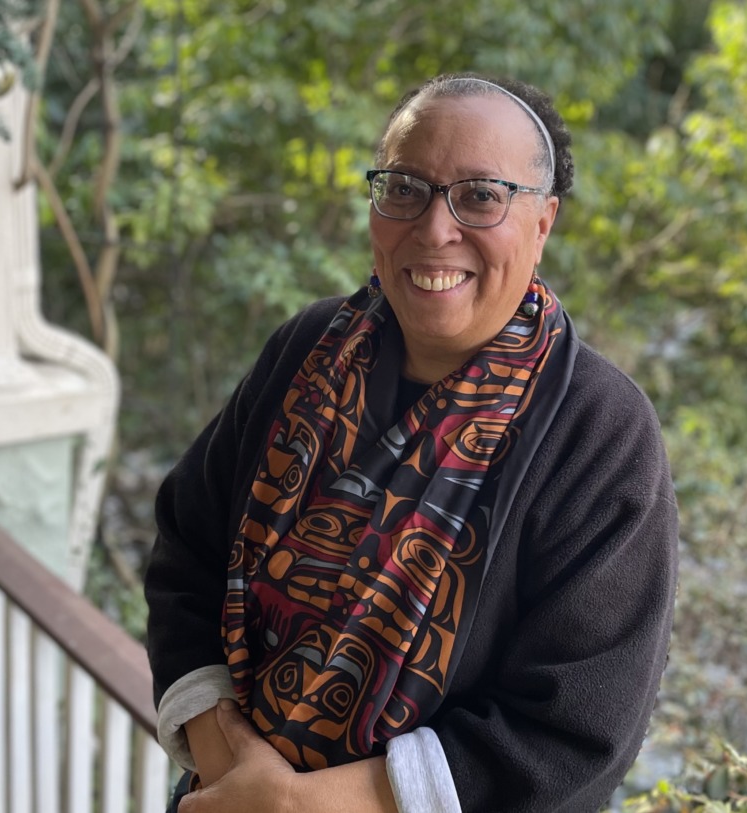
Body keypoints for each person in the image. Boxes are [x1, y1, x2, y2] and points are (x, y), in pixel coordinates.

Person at [144, 72, 679, 813]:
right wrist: (233, 766)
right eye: (404, 188)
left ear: (543, 221)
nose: (434, 228)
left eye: (481, 196)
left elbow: (573, 729)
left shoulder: (598, 431)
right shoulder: (306, 350)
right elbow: (186, 552)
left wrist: (297, 805)